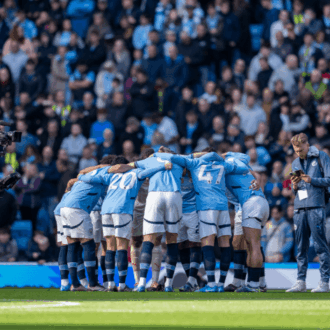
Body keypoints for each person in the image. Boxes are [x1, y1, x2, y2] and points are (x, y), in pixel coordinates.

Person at [170, 149, 249, 292]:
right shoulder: (223, 165)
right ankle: (220, 284)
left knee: (208, 244)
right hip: (223, 207)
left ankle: (211, 284)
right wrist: (223, 157)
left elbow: (174, 158)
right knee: (225, 244)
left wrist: (197, 156)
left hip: (207, 208)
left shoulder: (194, 163)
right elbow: (244, 166)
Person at [286, 133, 330, 293]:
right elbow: (294, 190)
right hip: (299, 208)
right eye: (295, 151)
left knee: (320, 246)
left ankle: (324, 282)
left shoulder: (321, 157)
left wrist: (312, 180)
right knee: (300, 247)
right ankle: (301, 282)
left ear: (307, 145)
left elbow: (329, 179)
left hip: (316, 206)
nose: (298, 153)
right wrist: (294, 186)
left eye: (300, 149)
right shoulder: (295, 162)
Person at [224, 152, 270, 292]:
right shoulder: (227, 172)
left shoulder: (230, 162)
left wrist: (221, 155)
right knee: (239, 243)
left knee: (253, 244)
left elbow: (248, 163)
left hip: (250, 204)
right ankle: (239, 281)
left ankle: (256, 283)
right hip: (242, 206)